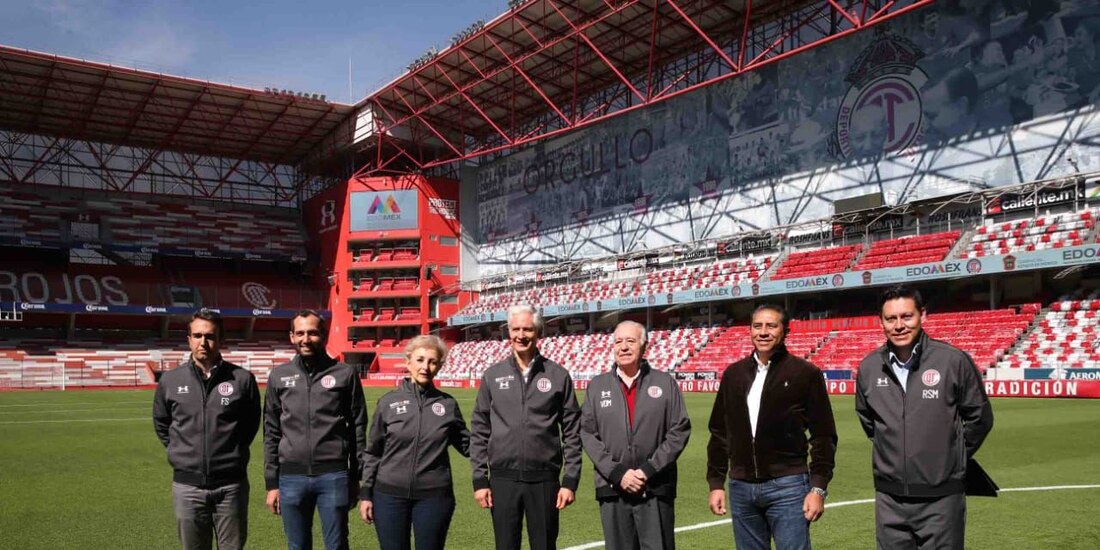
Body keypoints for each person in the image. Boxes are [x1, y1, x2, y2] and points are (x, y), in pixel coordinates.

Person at [855, 286, 994, 549]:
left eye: (906, 316)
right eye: (890, 318)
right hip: (889, 500)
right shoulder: (869, 367)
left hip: (942, 499)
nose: (899, 325)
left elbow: (980, 418)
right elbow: (869, 421)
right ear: (881, 321)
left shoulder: (953, 361)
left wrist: (950, 456)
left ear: (923, 315)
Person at [706, 304, 837, 550]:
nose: (763, 332)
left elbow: (824, 436)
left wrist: (818, 487)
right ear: (750, 330)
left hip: (788, 486)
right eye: (757, 326)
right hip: (741, 487)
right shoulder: (733, 375)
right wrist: (716, 483)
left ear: (785, 330)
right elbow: (719, 433)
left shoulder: (805, 373)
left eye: (771, 326)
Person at [469, 304, 583, 550]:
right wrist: (480, 479)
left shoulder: (558, 375)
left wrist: (570, 480)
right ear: (508, 332)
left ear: (538, 332)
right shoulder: (492, 375)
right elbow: (479, 430)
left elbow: (573, 432)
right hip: (502, 480)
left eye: (528, 329)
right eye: (516, 329)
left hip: (544, 481)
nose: (521, 335)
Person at [153, 308, 261, 550]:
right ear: (189, 339)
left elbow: (250, 424)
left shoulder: (242, 379)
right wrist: (181, 451)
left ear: (220, 339)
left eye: (210, 336)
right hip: (187, 487)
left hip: (231, 486)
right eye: (198, 335)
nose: (204, 342)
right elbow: (162, 423)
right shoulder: (170, 381)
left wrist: (231, 450)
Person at [580, 320, 691, 550]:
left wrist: (647, 470)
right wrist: (618, 473)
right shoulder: (597, 386)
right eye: (618, 341)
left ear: (644, 346)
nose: (623, 347)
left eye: (630, 341)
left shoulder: (665, 383)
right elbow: (588, 434)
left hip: (655, 489)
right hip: (613, 490)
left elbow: (679, 429)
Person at [264, 310, 367, 550]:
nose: (306, 339)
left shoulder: (345, 374)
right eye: (300, 333)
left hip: (334, 475)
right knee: (297, 546)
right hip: (290, 478)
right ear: (292, 336)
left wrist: (356, 477)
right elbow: (271, 431)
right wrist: (272, 483)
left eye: (312, 333)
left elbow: (358, 429)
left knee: (336, 545)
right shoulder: (279, 376)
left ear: (323, 334)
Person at [359, 335, 471, 550]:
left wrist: (505, 443)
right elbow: (373, 452)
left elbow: (468, 445)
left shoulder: (448, 404)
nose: (425, 367)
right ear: (408, 361)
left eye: (432, 361)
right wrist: (366, 493)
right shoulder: (388, 402)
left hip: (435, 497)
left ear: (439, 366)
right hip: (389, 496)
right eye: (420, 360)